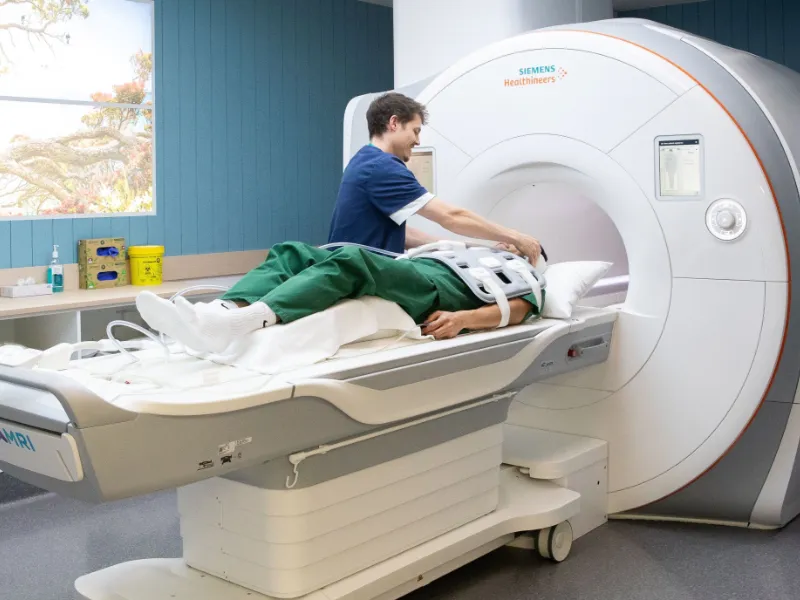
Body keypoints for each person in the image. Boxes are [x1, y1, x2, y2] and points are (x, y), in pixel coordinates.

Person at [136, 241, 543, 355]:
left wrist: (464, 319)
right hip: (412, 267)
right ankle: (221, 310)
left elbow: (522, 310)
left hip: (435, 291)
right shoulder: (466, 249)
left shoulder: (527, 278)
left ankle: (236, 325)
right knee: (291, 251)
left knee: (351, 261)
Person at [328, 92, 543, 263]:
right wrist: (515, 237)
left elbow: (403, 235)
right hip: (361, 276)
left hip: (352, 269)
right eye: (415, 130)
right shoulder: (382, 167)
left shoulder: (364, 160)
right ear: (393, 123)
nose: (418, 140)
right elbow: (452, 216)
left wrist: (473, 249)